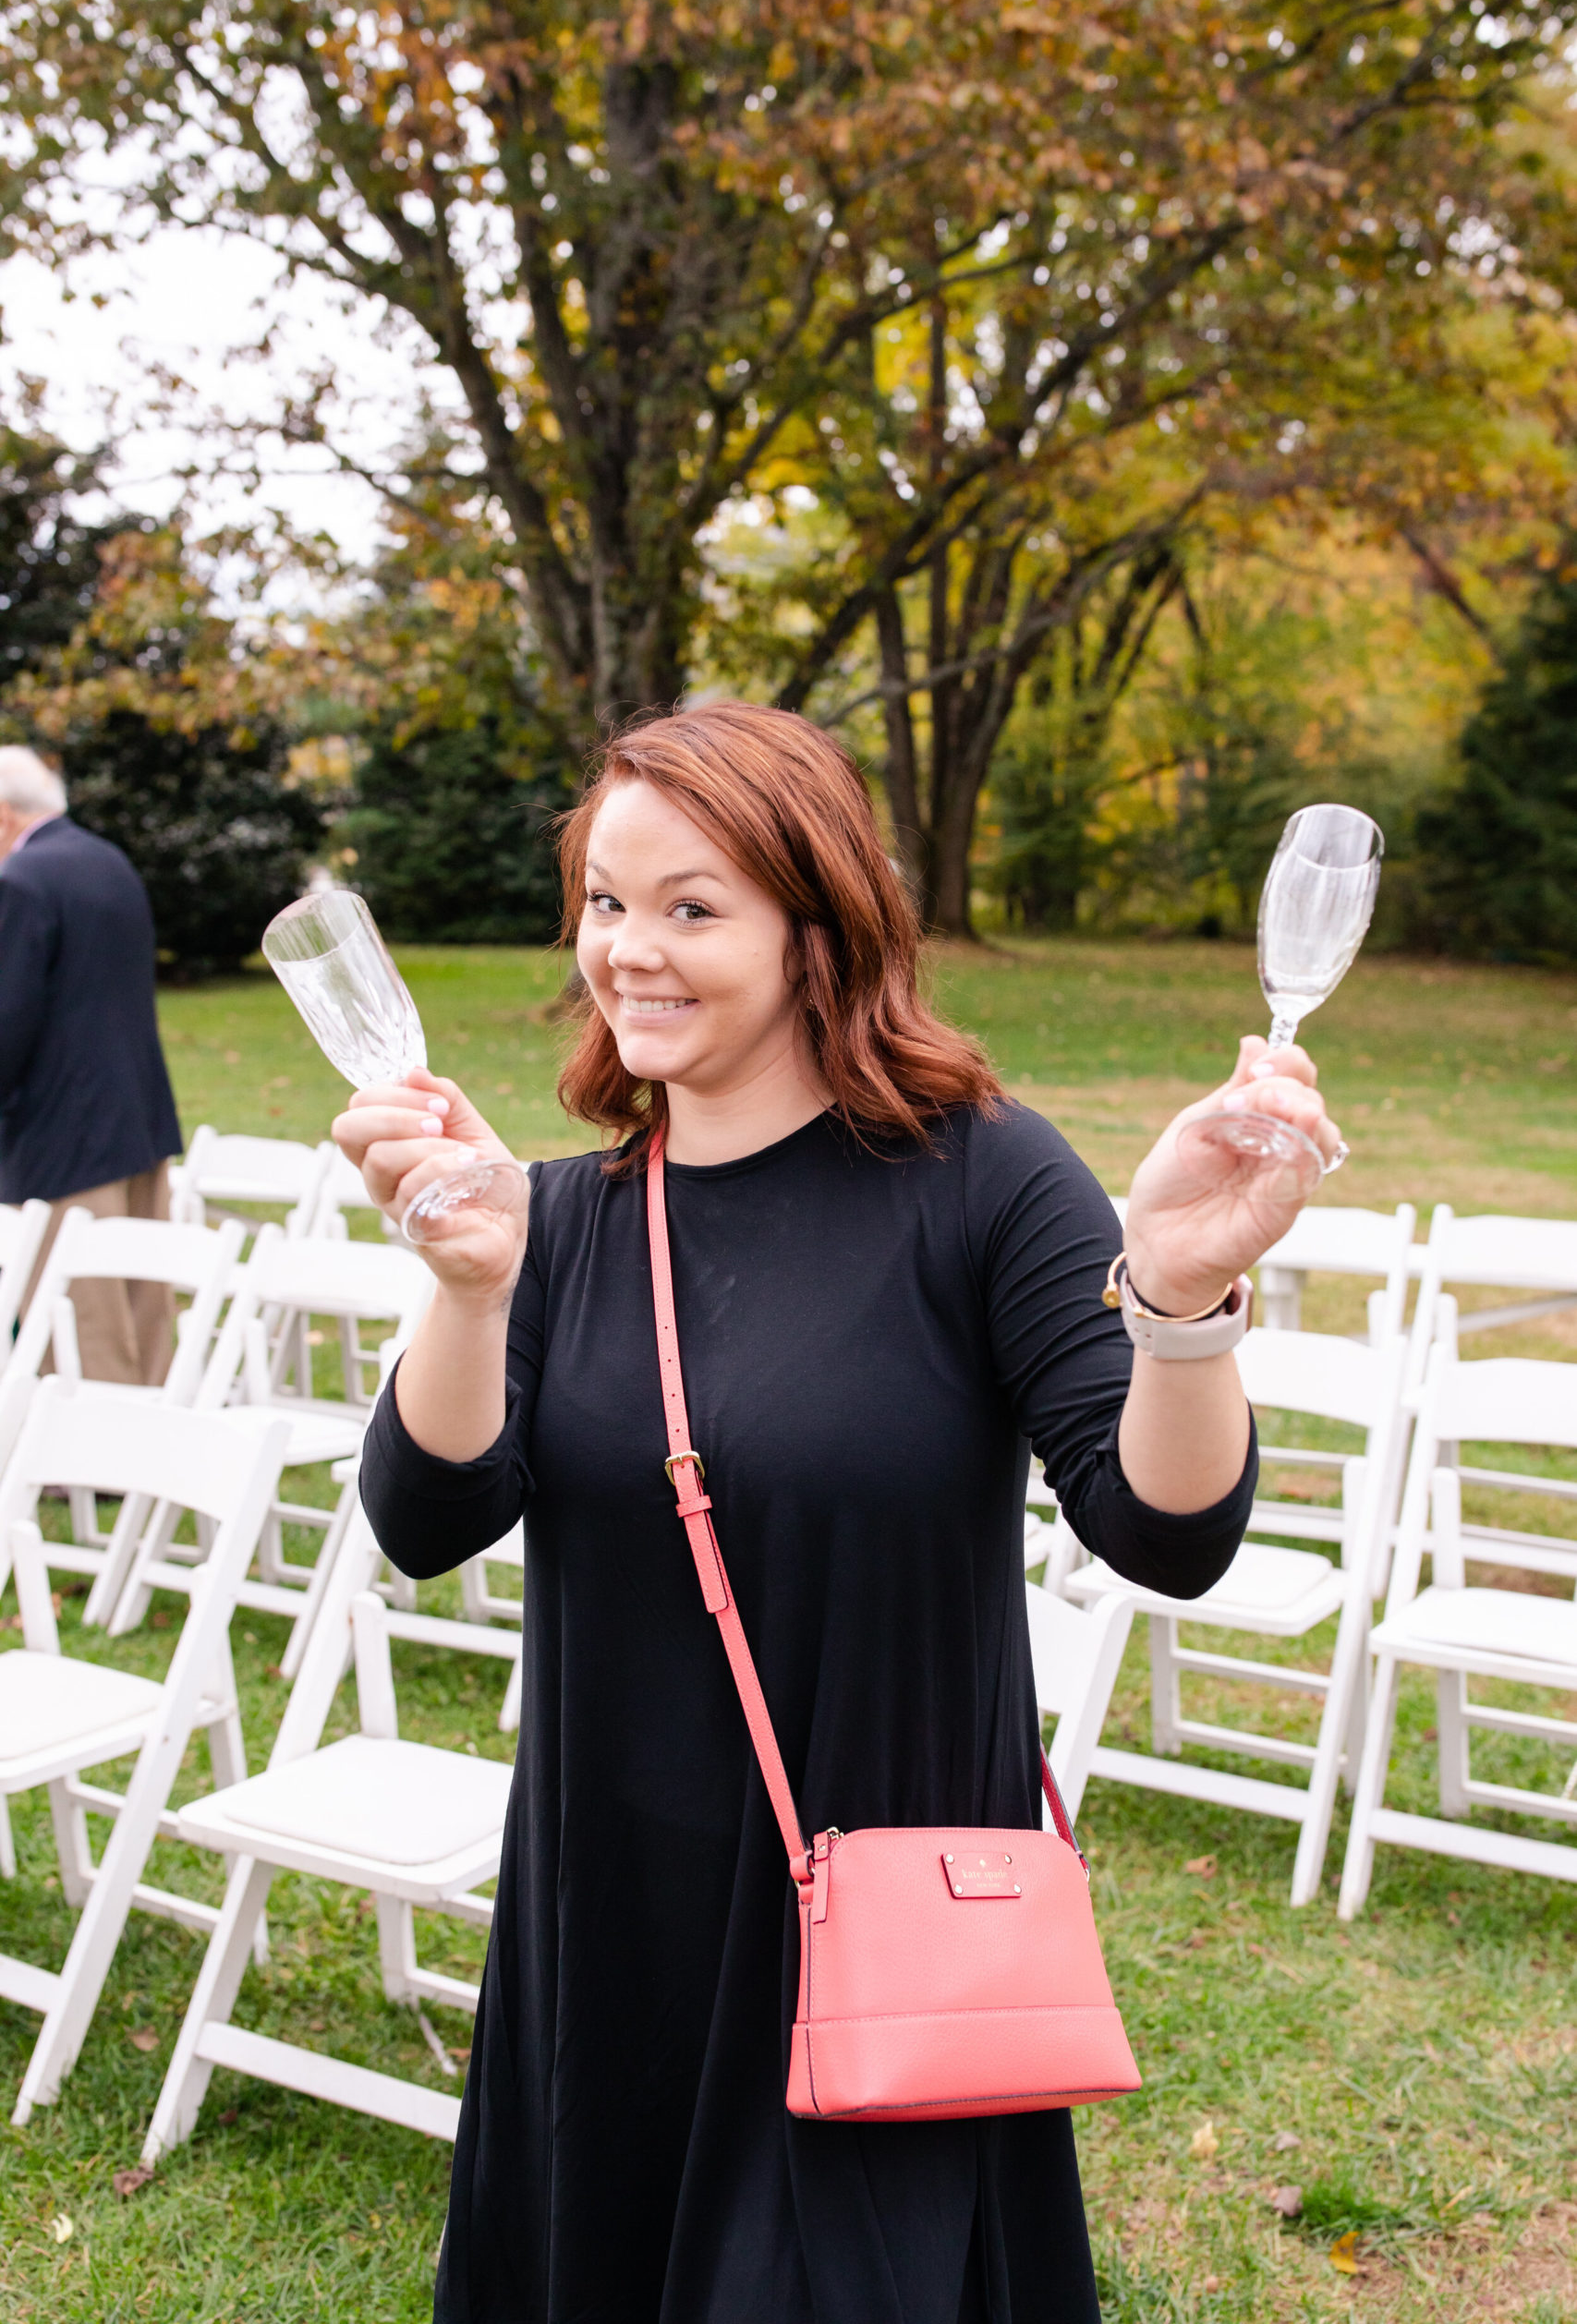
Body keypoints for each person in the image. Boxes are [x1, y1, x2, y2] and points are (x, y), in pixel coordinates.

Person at [342, 705, 1340, 2324]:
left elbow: (1168, 1530)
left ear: (820, 925)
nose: (628, 953)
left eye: (690, 907)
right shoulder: (568, 1217)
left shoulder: (982, 1179)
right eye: (604, 902)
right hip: (611, 1928)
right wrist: (464, 1297)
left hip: (880, 1927)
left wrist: (1172, 1295)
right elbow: (422, 1515)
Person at [0, 744, 183, 1383]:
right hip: (136, 1111)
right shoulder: (107, 861)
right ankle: (161, 1414)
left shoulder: (22, 881)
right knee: (143, 1287)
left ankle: (92, 1461)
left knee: (79, 1299)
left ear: (2, 815)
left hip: (61, 1125)